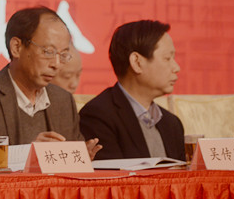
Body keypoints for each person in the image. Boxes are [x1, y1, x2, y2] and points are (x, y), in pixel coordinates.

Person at [0, 6, 101, 158]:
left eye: (63, 54)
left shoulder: (63, 101)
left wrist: (80, 157)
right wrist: (27, 155)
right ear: (16, 48)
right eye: (48, 52)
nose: (56, 64)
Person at [79, 20, 184, 160]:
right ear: (137, 62)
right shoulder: (98, 117)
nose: (176, 67)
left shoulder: (172, 123)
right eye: (167, 58)